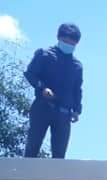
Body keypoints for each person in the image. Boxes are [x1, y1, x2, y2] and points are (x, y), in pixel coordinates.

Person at [23, 23, 83, 159]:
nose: (69, 45)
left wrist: (77, 109)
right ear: (59, 38)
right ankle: (25, 177)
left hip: (64, 114)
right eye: (66, 41)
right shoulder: (44, 54)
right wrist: (42, 87)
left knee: (59, 154)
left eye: (72, 43)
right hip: (42, 108)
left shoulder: (77, 65)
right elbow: (30, 74)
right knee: (32, 146)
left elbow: (77, 89)